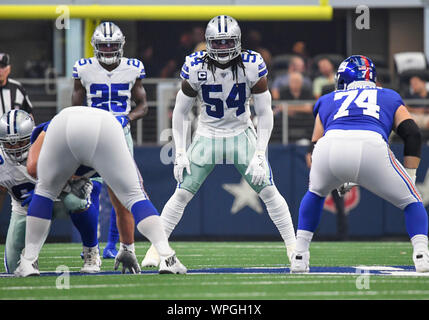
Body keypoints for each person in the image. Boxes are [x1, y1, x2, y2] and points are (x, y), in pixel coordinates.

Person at [141, 15, 296, 268]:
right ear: (207, 42)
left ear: (237, 41)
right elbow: (180, 112)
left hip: (241, 134)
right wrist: (180, 151)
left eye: (227, 42)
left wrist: (259, 153)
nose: (223, 47)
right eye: (217, 42)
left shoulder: (252, 64)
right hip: (207, 135)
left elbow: (265, 113)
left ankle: (294, 249)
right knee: (181, 193)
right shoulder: (194, 65)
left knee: (269, 190)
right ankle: (157, 250)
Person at [290, 55, 429, 273]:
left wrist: (336, 175)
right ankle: (421, 256)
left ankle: (299, 255)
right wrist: (409, 176)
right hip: (370, 144)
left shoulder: (328, 99)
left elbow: (315, 142)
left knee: (315, 193)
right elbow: (412, 134)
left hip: (328, 147)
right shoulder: (388, 96)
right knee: (413, 201)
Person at [13, 107, 187, 277]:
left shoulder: (48, 130)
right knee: (135, 196)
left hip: (66, 123)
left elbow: (33, 168)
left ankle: (28, 261)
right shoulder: (98, 153)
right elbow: (123, 205)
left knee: (44, 190)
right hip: (105, 127)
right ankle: (167, 257)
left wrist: (62, 184)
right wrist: (127, 247)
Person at [71, 22, 148, 259]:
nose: (107, 49)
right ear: (95, 46)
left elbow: (143, 106)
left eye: (111, 45)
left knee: (123, 190)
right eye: (102, 45)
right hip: (91, 132)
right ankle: (90, 245)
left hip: (120, 134)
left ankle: (114, 245)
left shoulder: (133, 68)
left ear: (121, 45)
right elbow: (75, 105)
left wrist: (128, 118)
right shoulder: (83, 68)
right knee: (84, 187)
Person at [0, 110, 96, 273]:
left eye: (19, 142)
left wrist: (41, 192)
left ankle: (91, 252)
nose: (15, 148)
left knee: (77, 200)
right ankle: (29, 262)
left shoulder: (50, 141)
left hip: (61, 198)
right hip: (24, 208)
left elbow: (73, 172)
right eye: (9, 144)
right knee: (12, 267)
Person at [0, 53, 33, 118]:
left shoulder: (18, 89)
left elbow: (29, 115)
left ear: (8, 69)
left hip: (14, 128)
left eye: (2, 67)